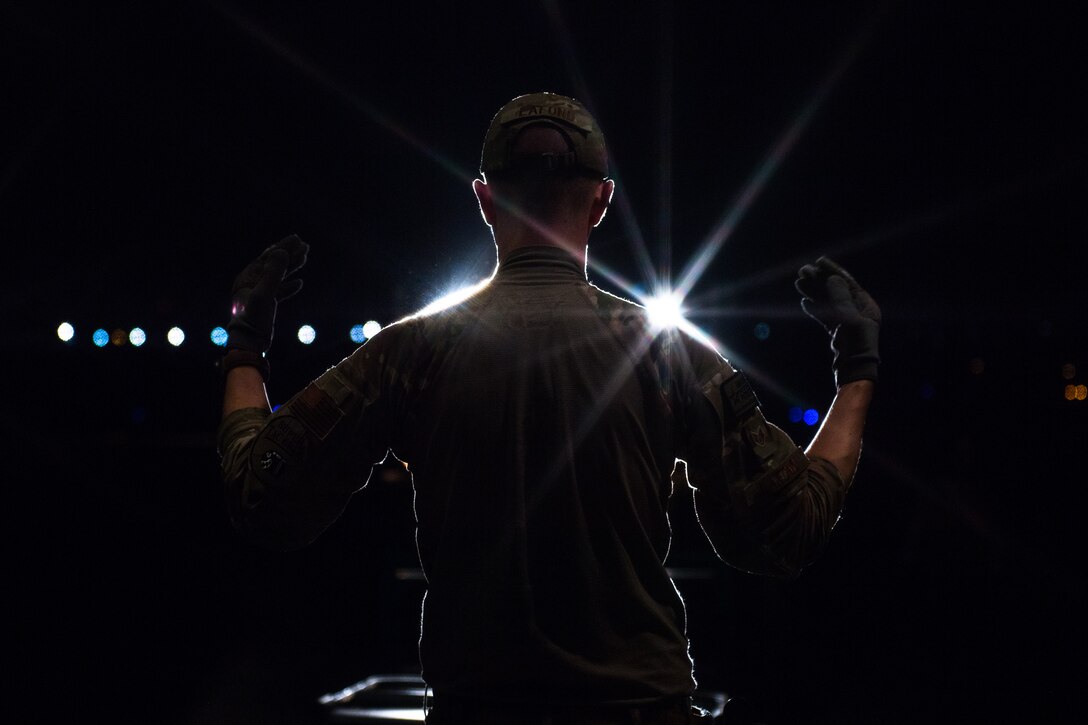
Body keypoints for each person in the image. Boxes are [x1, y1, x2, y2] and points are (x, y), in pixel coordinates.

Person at [217, 91, 881, 724]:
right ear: (601, 201)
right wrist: (856, 367)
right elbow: (785, 529)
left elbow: (266, 495)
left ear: (484, 199)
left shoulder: (409, 353)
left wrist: (246, 344)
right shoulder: (664, 354)